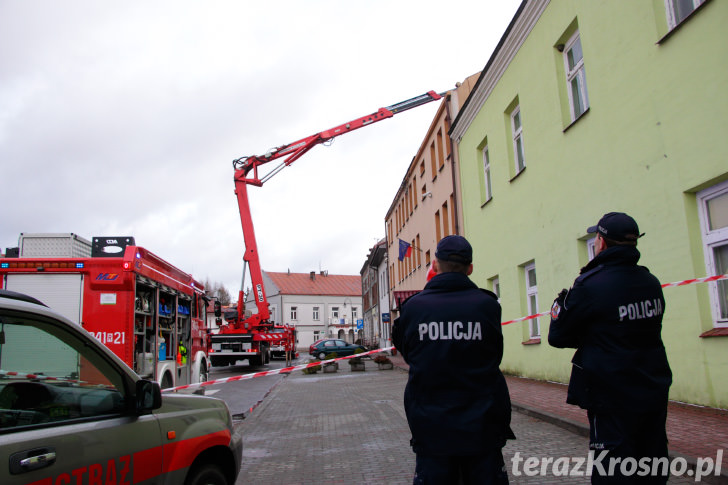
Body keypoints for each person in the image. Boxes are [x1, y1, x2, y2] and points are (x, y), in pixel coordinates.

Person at [548, 212, 672, 484]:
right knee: (651, 464)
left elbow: (558, 337)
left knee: (612, 470)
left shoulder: (591, 284)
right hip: (652, 387)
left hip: (611, 393)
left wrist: (559, 310)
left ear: (601, 242)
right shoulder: (650, 282)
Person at [393, 235, 514, 484]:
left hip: (431, 429)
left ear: (435, 266)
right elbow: (494, 354)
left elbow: (407, 351)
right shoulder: (487, 306)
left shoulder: (413, 308)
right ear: (470, 268)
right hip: (482, 427)